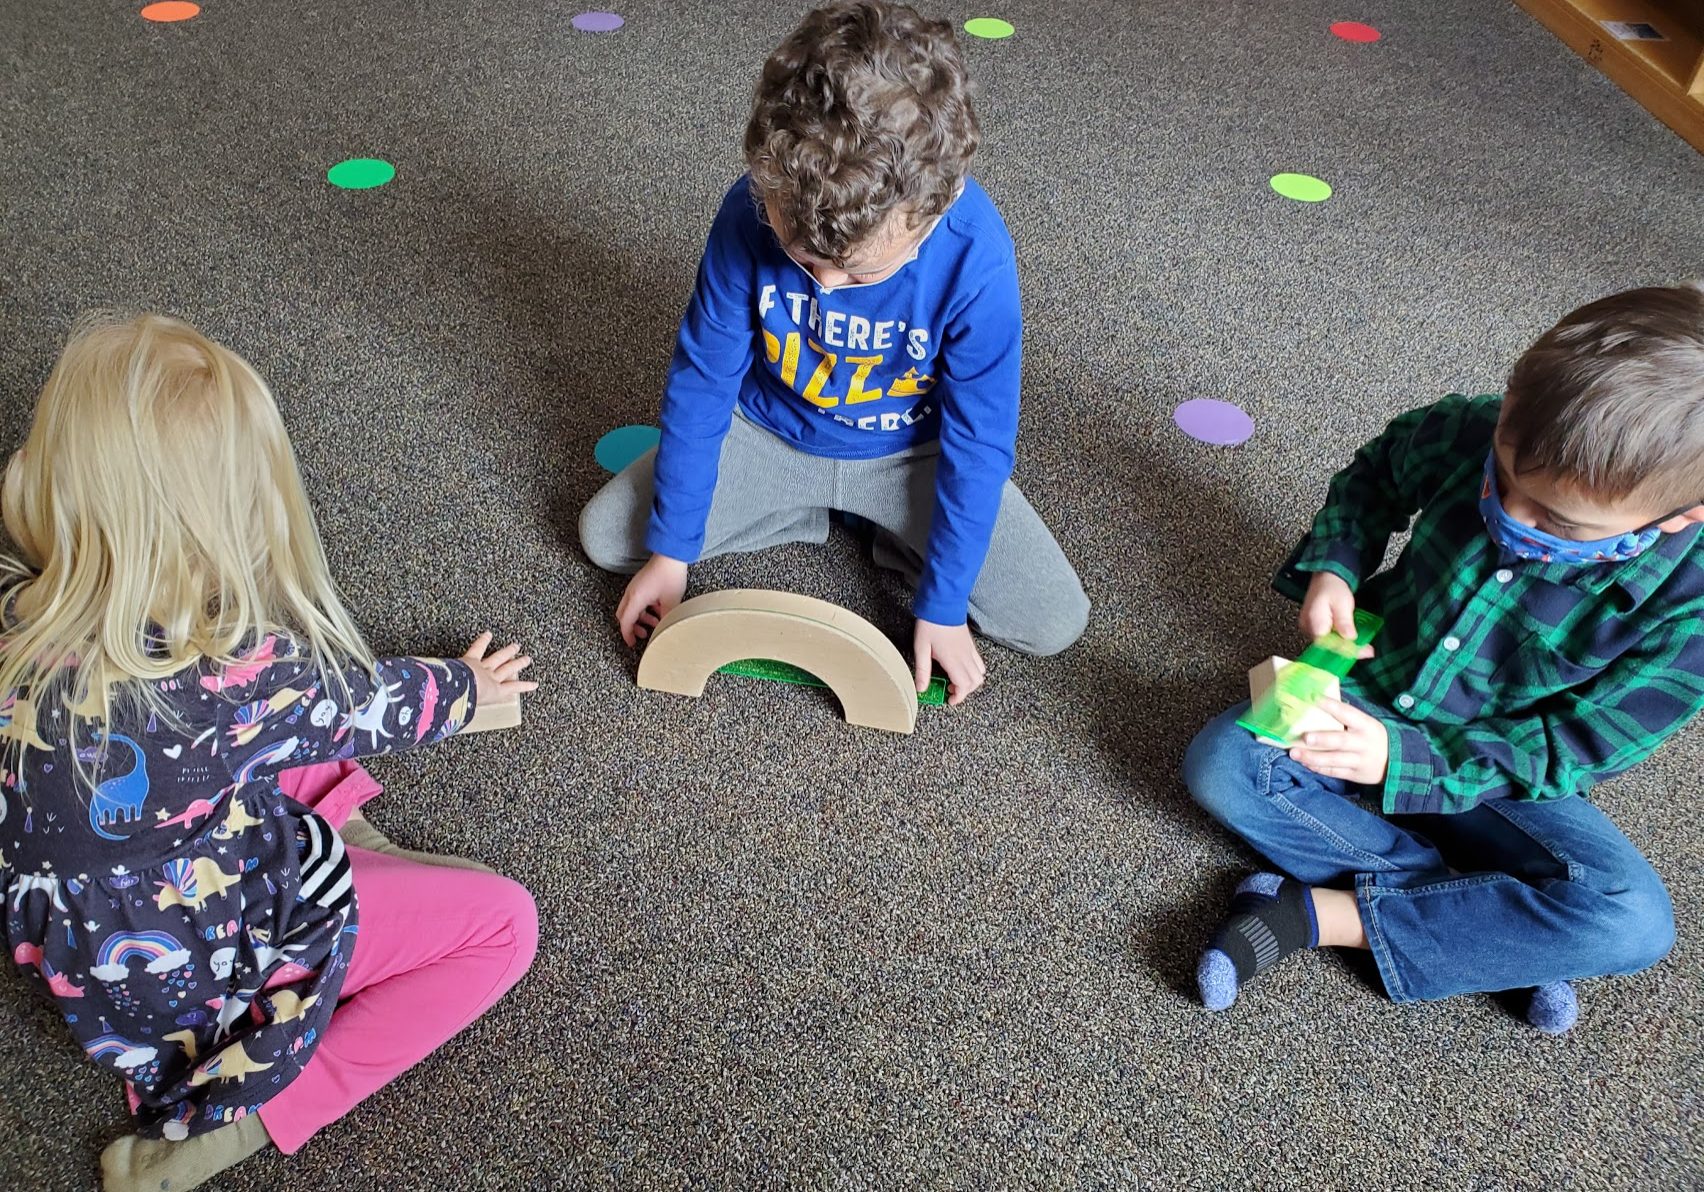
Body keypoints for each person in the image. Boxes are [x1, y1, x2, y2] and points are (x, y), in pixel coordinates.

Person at [0, 313, 540, 1190]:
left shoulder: (16, 608)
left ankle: (354, 859)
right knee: (504, 925)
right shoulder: (235, 680)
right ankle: (248, 1122)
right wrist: (472, 687)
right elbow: (384, 705)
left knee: (257, 737)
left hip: (89, 959)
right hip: (202, 978)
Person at [1183, 283, 1704, 1033]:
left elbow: (1573, 751)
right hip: (1372, 684)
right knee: (1222, 765)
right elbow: (1376, 477)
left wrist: (1406, 761)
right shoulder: (1470, 427)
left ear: (1682, 514)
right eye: (1505, 472)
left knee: (1634, 923)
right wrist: (1339, 563)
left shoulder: (1690, 609)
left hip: (1505, 766)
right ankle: (1480, 927)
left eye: (1559, 521)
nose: (1511, 518)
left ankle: (1317, 913)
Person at [578, 0, 1088, 706]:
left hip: (912, 457)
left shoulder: (977, 254)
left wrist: (941, 606)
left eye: (861, 273)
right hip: (770, 434)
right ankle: (819, 511)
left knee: (1053, 618)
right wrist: (671, 553)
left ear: (933, 214)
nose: (827, 287)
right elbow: (702, 382)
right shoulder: (749, 208)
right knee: (608, 537)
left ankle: (870, 521)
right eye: (802, 256)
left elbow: (980, 443)